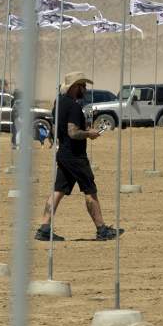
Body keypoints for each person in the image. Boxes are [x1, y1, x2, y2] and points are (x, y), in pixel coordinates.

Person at [35, 72, 122, 241]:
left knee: (58, 191)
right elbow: (73, 132)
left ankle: (44, 229)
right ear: (75, 87)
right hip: (76, 156)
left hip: (63, 154)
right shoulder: (74, 107)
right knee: (90, 191)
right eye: (83, 85)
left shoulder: (58, 103)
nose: (85, 89)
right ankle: (102, 230)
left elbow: (58, 128)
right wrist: (89, 133)